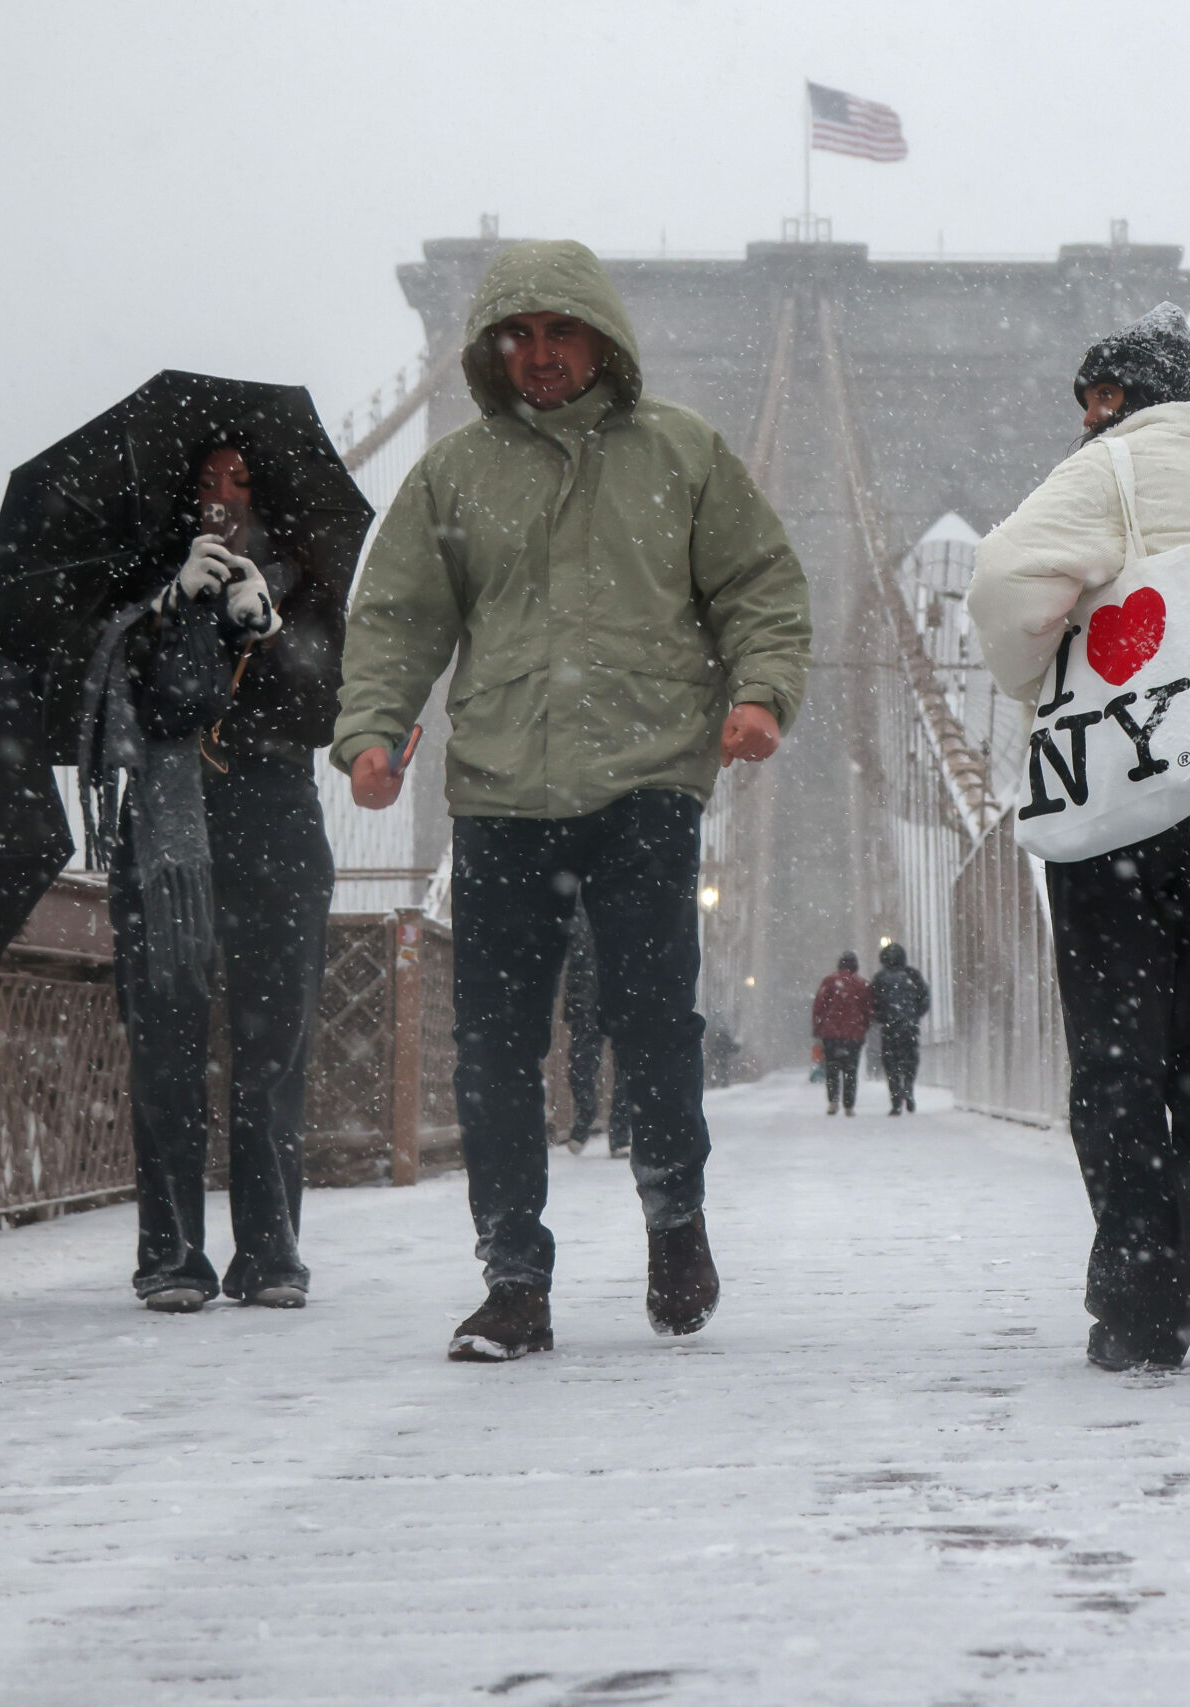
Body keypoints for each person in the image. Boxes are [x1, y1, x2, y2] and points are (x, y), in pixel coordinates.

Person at [333, 239, 812, 1362]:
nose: (540, 357)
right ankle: (513, 1280)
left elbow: (759, 587)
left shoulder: (682, 455)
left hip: (646, 780)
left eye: (562, 333)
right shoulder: (452, 475)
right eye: (519, 336)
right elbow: (398, 616)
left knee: (654, 1026)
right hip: (501, 789)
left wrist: (760, 694)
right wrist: (368, 730)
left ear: (602, 339)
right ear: (491, 350)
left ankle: (672, 1215)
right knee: (495, 1047)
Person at [968, 303, 1190, 1372]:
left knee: (1120, 1055)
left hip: (1112, 811)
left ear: (1132, 398)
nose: (1089, 418)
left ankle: (1141, 1293)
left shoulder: (1109, 473)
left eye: (1101, 397)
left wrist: (1040, 674)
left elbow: (1000, 584)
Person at [83, 434, 346, 1313]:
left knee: (272, 1048)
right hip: (170, 837)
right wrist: (165, 611)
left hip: (275, 818)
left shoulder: (308, 588)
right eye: (206, 483)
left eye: (241, 480)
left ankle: (271, 1253)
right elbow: (123, 718)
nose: (222, 498)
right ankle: (172, 1253)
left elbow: (324, 715)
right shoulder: (150, 583)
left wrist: (267, 633)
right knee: (165, 1045)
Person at [559, 902, 628, 1157]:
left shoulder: (621, 900)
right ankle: (587, 1113)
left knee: (625, 1067)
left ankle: (620, 1134)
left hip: (616, 995)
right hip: (589, 998)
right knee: (581, 1066)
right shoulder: (579, 908)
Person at [869, 943, 931, 1116]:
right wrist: (915, 1014)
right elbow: (924, 998)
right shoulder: (913, 975)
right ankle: (908, 1087)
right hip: (909, 1027)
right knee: (910, 1060)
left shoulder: (880, 978)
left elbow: (872, 1003)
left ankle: (896, 1099)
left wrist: (881, 1017)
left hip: (890, 1028)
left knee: (891, 1064)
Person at [811, 952, 873, 1117]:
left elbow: (819, 1007)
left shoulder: (829, 982)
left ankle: (833, 1101)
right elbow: (868, 1010)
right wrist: (864, 1026)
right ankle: (849, 1104)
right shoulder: (862, 984)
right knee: (851, 1070)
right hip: (853, 1033)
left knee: (832, 1068)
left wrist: (818, 1028)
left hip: (831, 1033)